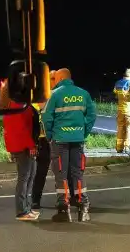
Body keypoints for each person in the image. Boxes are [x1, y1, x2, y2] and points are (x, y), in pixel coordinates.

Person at [41, 68, 97, 222]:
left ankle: (63, 209)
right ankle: (83, 207)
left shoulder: (54, 94)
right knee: (78, 173)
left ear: (58, 78)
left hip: (60, 141)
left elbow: (46, 117)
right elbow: (92, 115)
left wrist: (50, 135)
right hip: (78, 140)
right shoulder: (83, 93)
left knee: (61, 175)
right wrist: (83, 132)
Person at [0, 80, 38, 221]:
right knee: (24, 177)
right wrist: (31, 145)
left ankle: (26, 208)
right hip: (23, 146)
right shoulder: (16, 105)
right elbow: (21, 128)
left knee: (30, 175)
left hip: (23, 144)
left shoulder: (13, 104)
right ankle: (22, 211)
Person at [29, 102, 52, 213]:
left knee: (41, 174)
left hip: (46, 142)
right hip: (33, 142)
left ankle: (35, 200)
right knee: (31, 174)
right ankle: (31, 200)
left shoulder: (50, 103)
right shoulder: (30, 106)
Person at [112, 68, 130, 153]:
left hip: (120, 110)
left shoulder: (118, 83)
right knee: (129, 129)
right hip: (129, 110)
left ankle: (119, 148)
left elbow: (115, 94)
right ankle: (126, 147)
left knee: (120, 128)